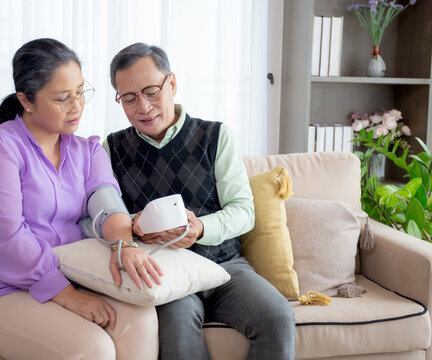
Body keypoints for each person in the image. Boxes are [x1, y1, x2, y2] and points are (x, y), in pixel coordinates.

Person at [0, 38, 162, 360]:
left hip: (74, 276)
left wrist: (126, 245)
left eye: (80, 92)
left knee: (142, 319)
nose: (77, 106)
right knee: (92, 349)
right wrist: (70, 297)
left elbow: (105, 202)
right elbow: (9, 240)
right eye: (63, 99)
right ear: (26, 100)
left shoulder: (88, 150)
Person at [105, 43, 296, 360]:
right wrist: (134, 226)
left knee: (276, 317)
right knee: (179, 337)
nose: (143, 106)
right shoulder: (110, 149)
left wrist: (201, 228)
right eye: (129, 98)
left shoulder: (215, 136)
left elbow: (243, 211)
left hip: (225, 266)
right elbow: (102, 215)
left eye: (151, 91)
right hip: (165, 273)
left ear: (173, 84)